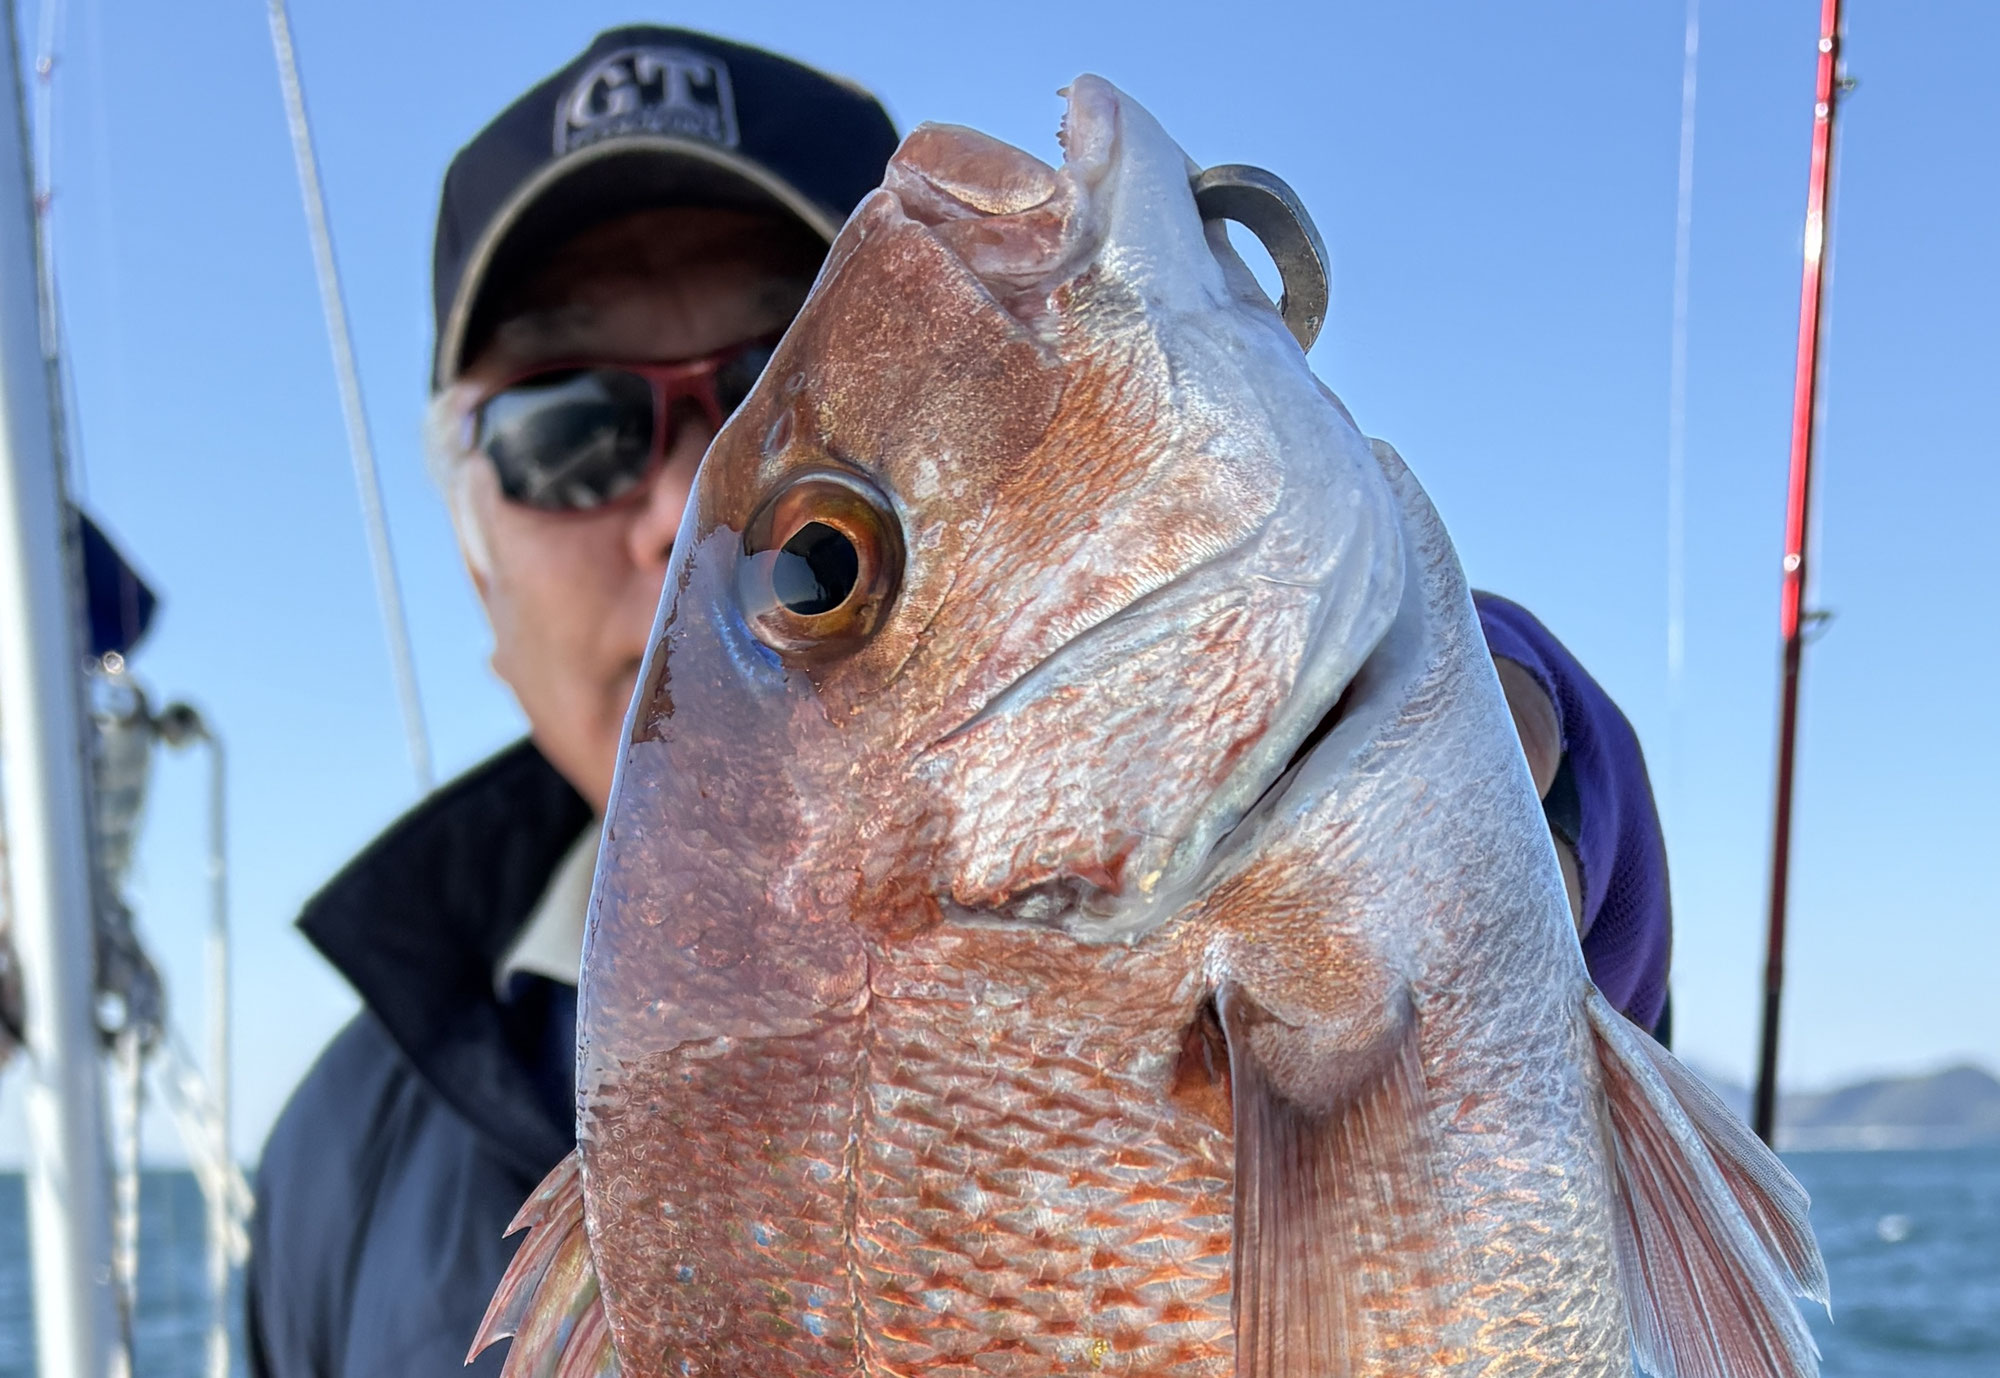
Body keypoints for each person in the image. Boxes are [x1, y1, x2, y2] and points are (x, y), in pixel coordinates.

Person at [244, 25, 1668, 1378]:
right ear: (475, 562)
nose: (677, 503)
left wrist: (1551, 789)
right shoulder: (327, 1172)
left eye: (762, 384)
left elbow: (1565, 1078)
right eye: (570, 430)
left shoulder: (1482, 802)